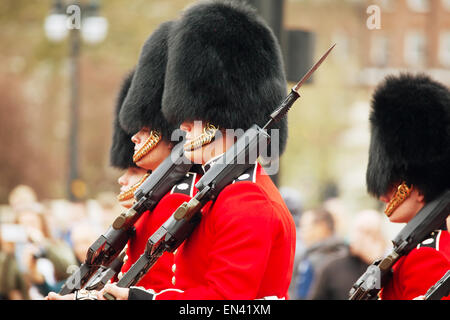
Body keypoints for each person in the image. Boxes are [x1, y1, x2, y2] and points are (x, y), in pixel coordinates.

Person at [100, 0, 294, 300]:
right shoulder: (220, 194)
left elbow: (225, 302)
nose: (182, 125)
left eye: (191, 115)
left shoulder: (247, 200)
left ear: (220, 117)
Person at [364, 73, 450, 300]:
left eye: (392, 180)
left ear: (420, 187)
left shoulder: (427, 257)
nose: (383, 194)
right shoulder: (413, 250)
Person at [309, 210, 388, 300]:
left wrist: (375, 262)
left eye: (370, 233)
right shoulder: (332, 267)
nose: (363, 238)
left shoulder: (385, 270)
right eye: (360, 231)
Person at [294, 208, 347, 299]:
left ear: (321, 227)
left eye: (304, 227)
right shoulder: (308, 255)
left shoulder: (331, 259)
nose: (301, 232)